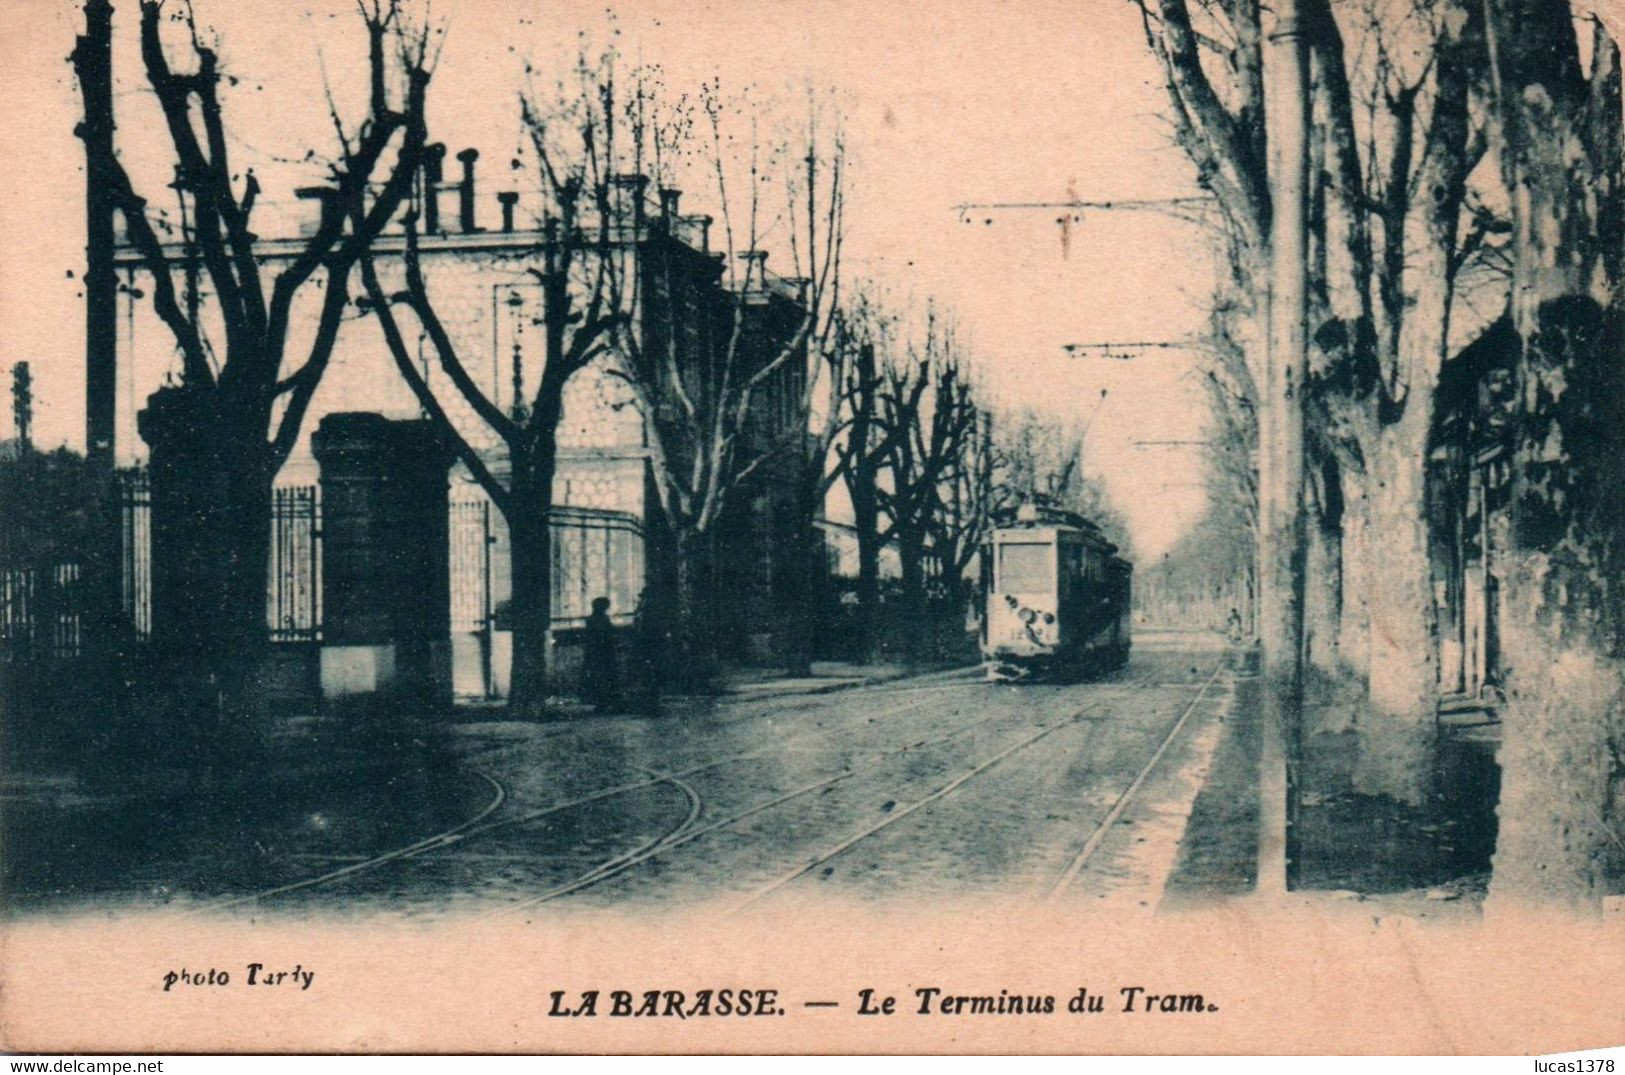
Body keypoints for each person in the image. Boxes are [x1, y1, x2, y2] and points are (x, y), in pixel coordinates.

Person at [581, 596, 620, 711]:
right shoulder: (603, 619)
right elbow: (609, 634)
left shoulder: (590, 620)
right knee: (605, 677)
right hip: (604, 652)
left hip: (594, 652)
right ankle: (605, 701)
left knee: (596, 677)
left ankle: (600, 702)